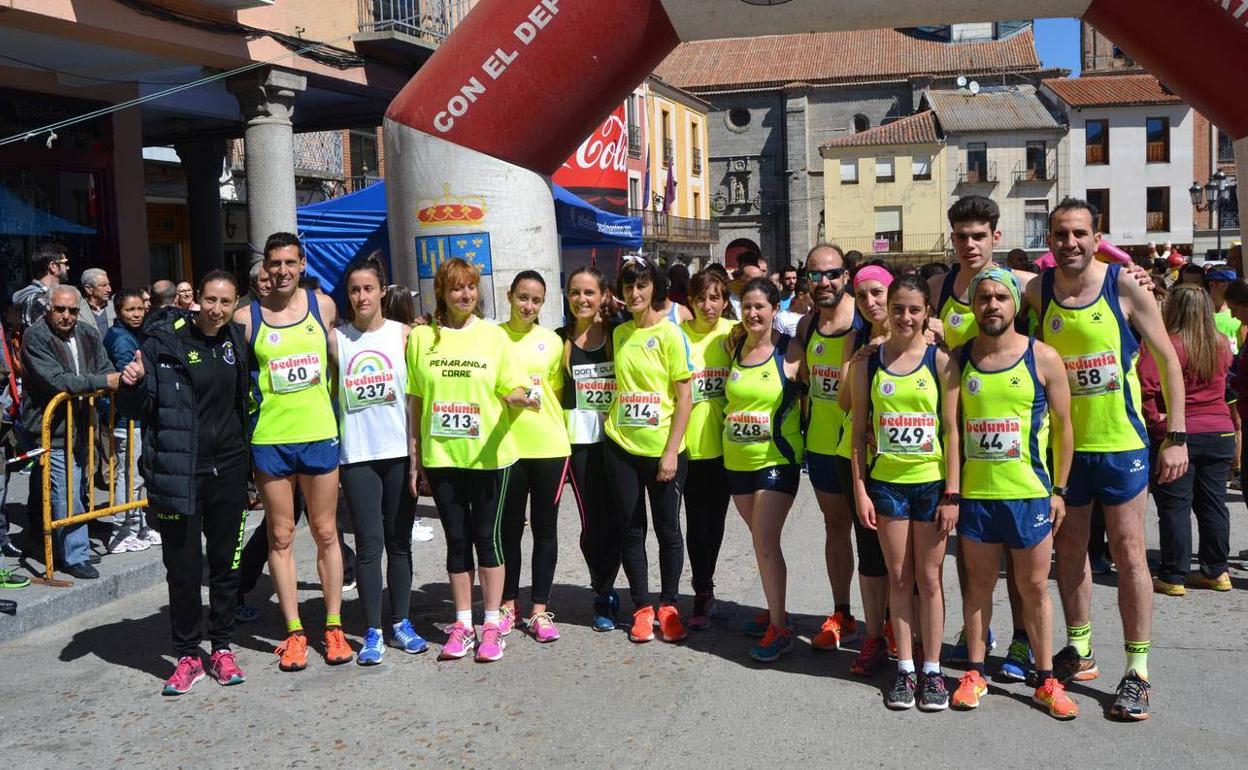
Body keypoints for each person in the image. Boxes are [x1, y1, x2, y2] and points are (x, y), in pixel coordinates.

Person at [1027, 197, 1189, 721]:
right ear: (1048, 242)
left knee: (1129, 553)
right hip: (1065, 452)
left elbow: (1168, 360)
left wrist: (1177, 435)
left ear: (1097, 238)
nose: (1069, 242)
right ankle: (1081, 647)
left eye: (1079, 233)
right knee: (1069, 550)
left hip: (1121, 446)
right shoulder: (1037, 290)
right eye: (1059, 235)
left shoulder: (1124, 286)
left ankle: (1137, 672)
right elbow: (983, 291)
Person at [947, 267, 1079, 719]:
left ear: (1016, 304)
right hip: (978, 497)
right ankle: (975, 672)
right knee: (979, 586)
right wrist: (953, 493)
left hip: (1029, 495)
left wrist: (1059, 490)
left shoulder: (1042, 357)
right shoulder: (959, 359)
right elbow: (950, 430)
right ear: (972, 305)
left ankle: (1046, 679)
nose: (992, 305)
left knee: (1034, 588)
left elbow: (1064, 428)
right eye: (983, 298)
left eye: (1001, 297)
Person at [117, 270, 251, 695]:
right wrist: (132, 385)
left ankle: (224, 647)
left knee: (227, 565)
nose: (216, 310)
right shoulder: (163, 344)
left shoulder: (236, 341)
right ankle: (189, 654)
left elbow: (245, 400)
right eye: (210, 300)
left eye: (225, 302)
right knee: (184, 569)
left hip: (228, 469)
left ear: (234, 306)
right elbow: (141, 408)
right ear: (196, 301)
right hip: (180, 473)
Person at [406, 258, 537, 662]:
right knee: (457, 540)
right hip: (443, 456)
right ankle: (463, 624)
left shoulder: (494, 338)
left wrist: (519, 397)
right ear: (441, 294)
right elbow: (416, 399)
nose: (464, 295)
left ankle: (493, 623)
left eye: (470, 287)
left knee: (488, 537)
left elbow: (515, 387)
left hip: (489, 457)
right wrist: (415, 458)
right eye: (455, 288)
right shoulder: (421, 339)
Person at [233, 232, 351, 671]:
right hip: (271, 441)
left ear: (301, 264)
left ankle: (334, 625)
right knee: (280, 536)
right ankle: (294, 632)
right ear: (265, 268)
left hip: (319, 434)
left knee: (325, 532)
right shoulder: (248, 319)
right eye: (273, 264)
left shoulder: (324, 307)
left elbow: (354, 352)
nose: (281, 271)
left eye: (289, 262)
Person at [849, 274, 960, 711]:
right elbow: (858, 434)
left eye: (915, 309)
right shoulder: (868, 363)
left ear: (927, 313)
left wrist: (952, 492)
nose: (906, 317)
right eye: (898, 309)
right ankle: (905, 668)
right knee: (898, 578)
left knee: (929, 579)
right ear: (887, 312)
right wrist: (861, 490)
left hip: (931, 486)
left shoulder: (940, 361)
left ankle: (932, 671)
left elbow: (952, 431)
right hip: (888, 485)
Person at [333, 256, 428, 665]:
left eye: (368, 288)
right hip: (357, 456)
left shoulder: (404, 335)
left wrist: (416, 457)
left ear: (382, 292)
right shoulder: (336, 340)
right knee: (369, 546)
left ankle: (401, 623)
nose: (361, 296)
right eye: (354, 290)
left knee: (399, 544)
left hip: (396, 453)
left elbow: (416, 398)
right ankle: (372, 630)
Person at [603, 255, 693, 644]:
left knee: (668, 530)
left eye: (641, 285)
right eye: (628, 286)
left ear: (654, 288)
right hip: (621, 445)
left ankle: (669, 605)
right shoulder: (620, 334)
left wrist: (671, 451)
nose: (634, 292)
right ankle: (642, 607)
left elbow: (684, 396)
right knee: (631, 530)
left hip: (664, 451)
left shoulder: (672, 334)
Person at [725, 278, 806, 662]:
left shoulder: (790, 352)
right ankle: (777, 610)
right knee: (761, 543)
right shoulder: (734, 346)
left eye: (760, 307)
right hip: (736, 461)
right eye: (747, 307)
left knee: (765, 541)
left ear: (776, 309)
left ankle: (781, 628)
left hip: (777, 459)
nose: (753, 314)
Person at [1138, 285, 1234, 595]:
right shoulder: (1221, 344)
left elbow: (1146, 388)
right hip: (1220, 430)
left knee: (1175, 506)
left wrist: (1157, 425)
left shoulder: (1168, 346)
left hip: (1181, 433)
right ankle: (1216, 570)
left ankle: (1173, 575)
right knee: (1213, 504)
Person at [20, 285, 120, 579]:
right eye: (59, 309)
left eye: (72, 310)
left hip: (82, 424)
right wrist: (102, 380)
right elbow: (57, 381)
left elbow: (106, 367)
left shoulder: (88, 334)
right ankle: (74, 554)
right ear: (48, 308)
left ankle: (41, 535)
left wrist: (112, 378)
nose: (66, 316)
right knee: (67, 490)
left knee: (56, 486)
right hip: (51, 427)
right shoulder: (35, 337)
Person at [795, 244, 864, 653]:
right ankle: (842, 612)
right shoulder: (806, 326)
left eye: (832, 274)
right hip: (822, 444)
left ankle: (888, 621)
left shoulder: (869, 317)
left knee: (874, 537)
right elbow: (793, 372)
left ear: (846, 276)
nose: (824, 282)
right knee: (835, 527)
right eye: (815, 275)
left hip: (867, 447)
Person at [499, 271, 572, 643]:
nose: (528, 306)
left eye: (536, 300)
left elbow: (556, 394)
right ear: (509, 295)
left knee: (545, 530)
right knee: (508, 530)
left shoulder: (552, 342)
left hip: (549, 448)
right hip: (506, 449)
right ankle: (507, 606)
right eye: (522, 297)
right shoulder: (492, 338)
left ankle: (540, 611)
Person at [836, 263, 894, 676]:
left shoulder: (918, 331)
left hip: (907, 462)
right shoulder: (856, 338)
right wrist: (855, 363)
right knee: (870, 552)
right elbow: (843, 402)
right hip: (858, 456)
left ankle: (907, 634)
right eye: (862, 296)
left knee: (907, 557)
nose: (871, 302)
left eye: (877, 292)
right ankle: (876, 635)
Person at [559, 266, 622, 631]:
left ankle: (638, 594)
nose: (582, 299)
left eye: (589, 293)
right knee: (593, 523)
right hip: (580, 444)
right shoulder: (559, 338)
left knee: (624, 519)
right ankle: (604, 589)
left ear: (603, 296)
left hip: (620, 440)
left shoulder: (618, 334)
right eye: (575, 293)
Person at [679, 269, 735, 630]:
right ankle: (701, 590)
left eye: (715, 298)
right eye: (701, 298)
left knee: (715, 522)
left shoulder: (734, 333)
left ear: (725, 302)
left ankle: (707, 584)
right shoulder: (678, 336)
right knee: (694, 523)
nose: (708, 305)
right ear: (691, 302)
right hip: (688, 446)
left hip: (726, 446)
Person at [103, 289, 155, 553]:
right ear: (119, 312)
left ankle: (140, 526)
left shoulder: (133, 333)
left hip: (137, 417)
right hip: (126, 418)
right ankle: (122, 530)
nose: (136, 314)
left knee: (140, 474)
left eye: (139, 309)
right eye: (129, 310)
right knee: (130, 476)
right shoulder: (120, 338)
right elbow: (129, 375)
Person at [11, 242, 69, 332]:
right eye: (65, 263)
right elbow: (54, 336)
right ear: (53, 266)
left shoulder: (48, 296)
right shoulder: (38, 299)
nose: (68, 267)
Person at [78, 268, 114, 339]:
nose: (109, 289)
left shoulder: (114, 307)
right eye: (103, 285)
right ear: (88, 289)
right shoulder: (78, 310)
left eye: (108, 284)